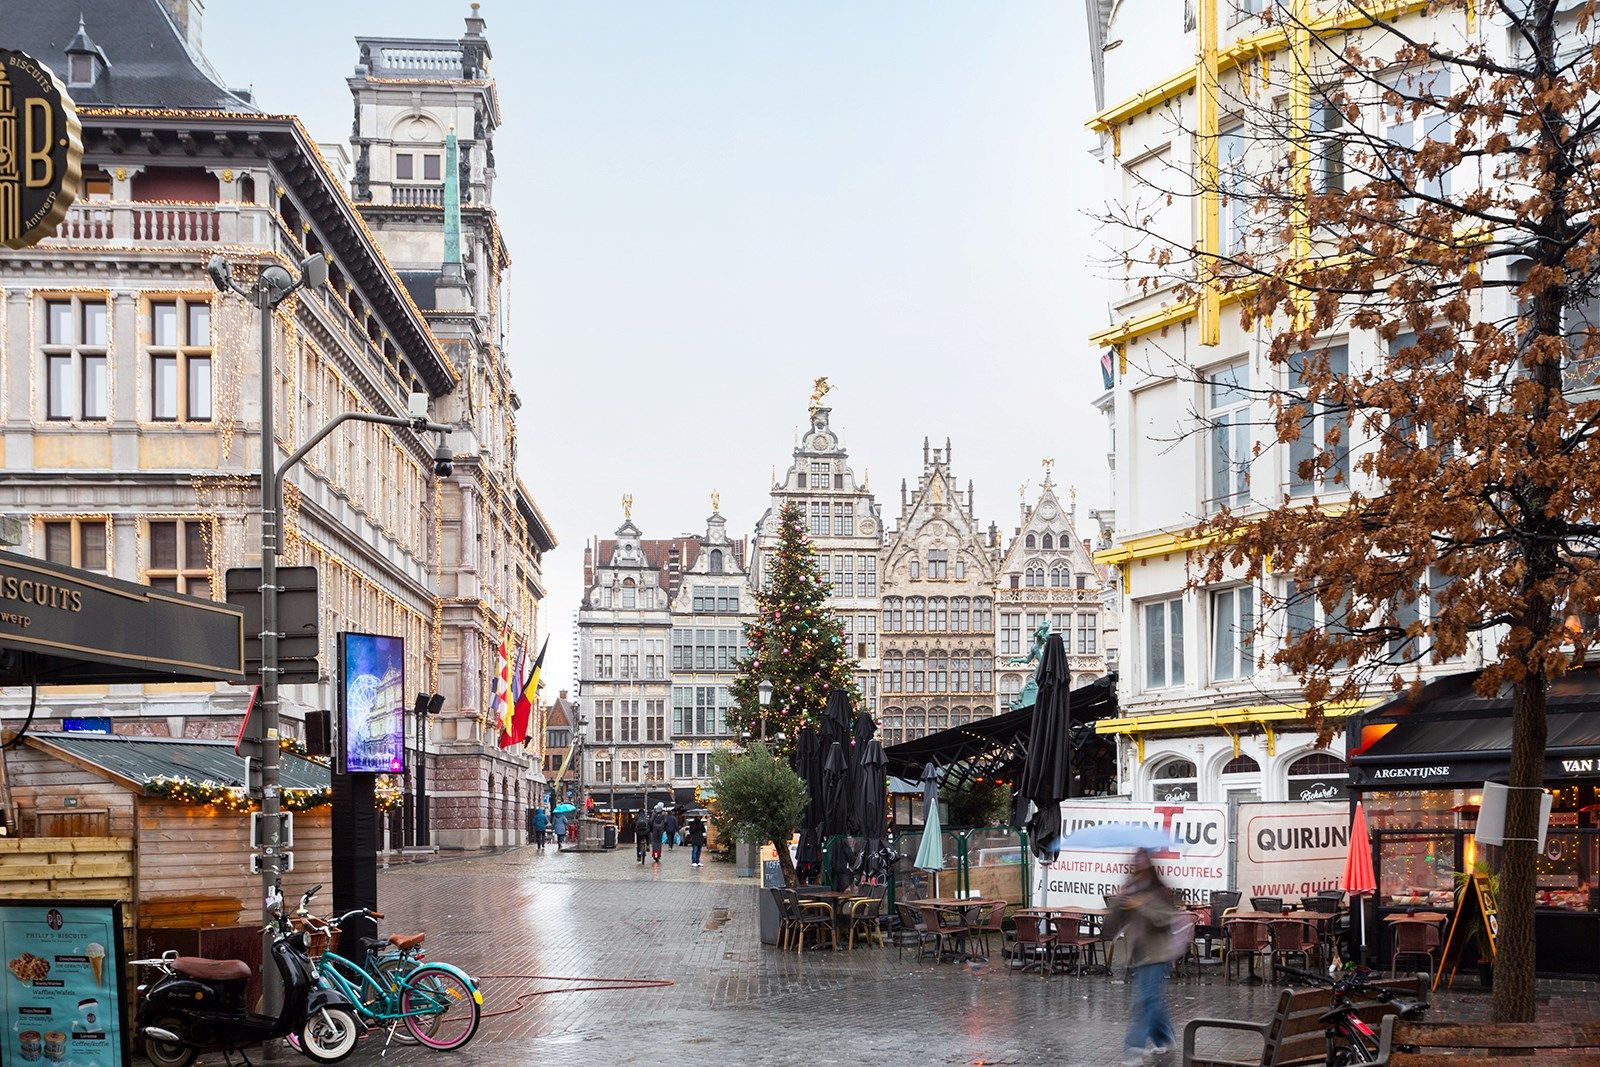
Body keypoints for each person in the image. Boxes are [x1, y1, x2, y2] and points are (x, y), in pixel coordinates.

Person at [1102, 849, 1180, 1066]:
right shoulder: (1131, 888)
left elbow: (1164, 920)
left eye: (1142, 862)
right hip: (1138, 955)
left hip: (1158, 954)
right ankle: (1166, 1038)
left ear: (1149, 865)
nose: (1137, 866)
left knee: (1145, 1001)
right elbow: (1114, 922)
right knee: (1153, 1001)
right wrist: (1119, 899)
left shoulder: (1161, 891)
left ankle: (1134, 1047)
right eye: (1135, 862)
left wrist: (1142, 905)